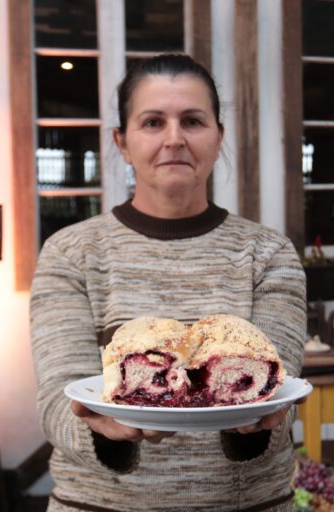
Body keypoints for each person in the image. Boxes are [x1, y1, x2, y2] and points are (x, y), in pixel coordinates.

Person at [30, 54, 307, 512]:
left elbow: (278, 395)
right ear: (121, 141)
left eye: (193, 121)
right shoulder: (71, 253)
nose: (174, 139)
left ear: (219, 137)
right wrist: (107, 428)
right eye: (153, 122)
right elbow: (59, 401)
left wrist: (258, 419)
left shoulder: (268, 254)